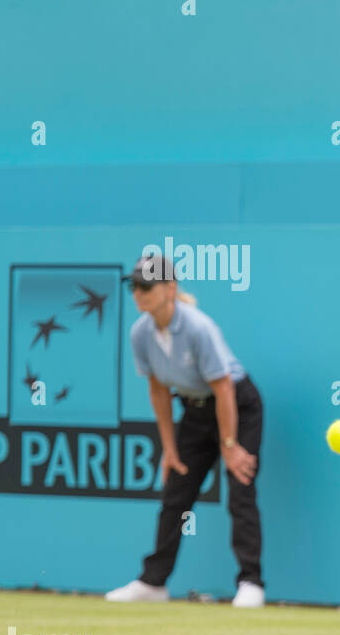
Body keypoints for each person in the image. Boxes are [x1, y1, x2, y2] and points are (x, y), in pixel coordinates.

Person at [106, 254, 266, 608]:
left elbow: (224, 388)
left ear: (170, 289)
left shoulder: (198, 327)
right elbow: (159, 391)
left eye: (146, 286)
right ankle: (153, 582)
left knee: (240, 488)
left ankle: (251, 583)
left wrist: (230, 445)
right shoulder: (140, 334)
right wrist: (170, 448)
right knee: (176, 495)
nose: (139, 293)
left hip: (237, 406)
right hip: (193, 413)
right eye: (135, 286)